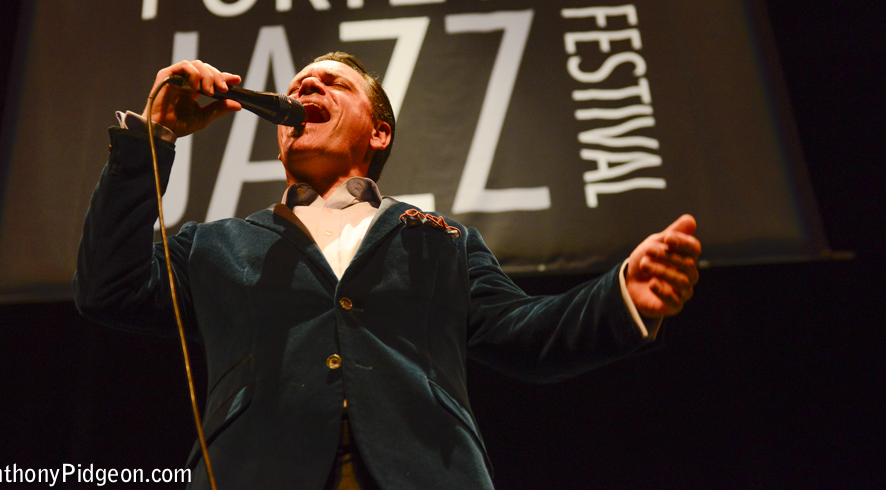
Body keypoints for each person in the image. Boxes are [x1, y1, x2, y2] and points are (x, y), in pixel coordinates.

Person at [75, 53, 700, 490]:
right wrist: (154, 135)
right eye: (299, 85)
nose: (307, 88)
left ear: (379, 133)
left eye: (333, 84)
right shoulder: (214, 246)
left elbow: (527, 334)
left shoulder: (444, 242)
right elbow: (109, 288)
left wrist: (623, 295)